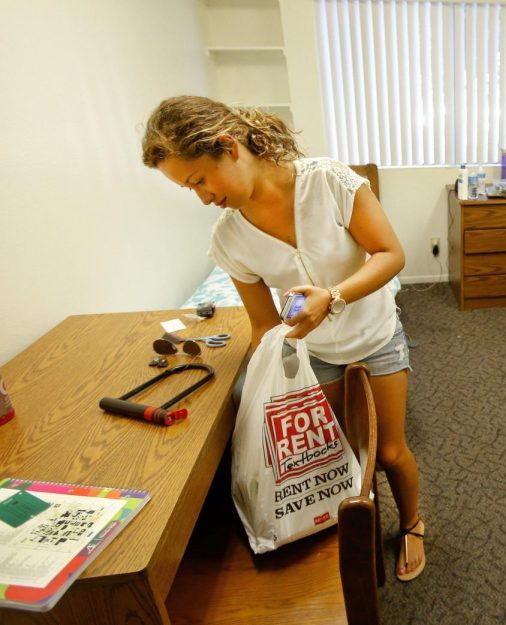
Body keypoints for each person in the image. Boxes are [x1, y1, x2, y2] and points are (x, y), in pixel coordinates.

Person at [141, 95, 426, 582]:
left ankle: (413, 524)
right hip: (316, 351)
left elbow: (390, 254)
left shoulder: (328, 182)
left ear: (228, 147)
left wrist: (331, 296)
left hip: (376, 335)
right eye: (190, 189)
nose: (203, 197)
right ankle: (355, 528)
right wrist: (262, 388)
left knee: (389, 452)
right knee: (340, 450)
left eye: (199, 181)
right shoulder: (229, 238)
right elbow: (263, 324)